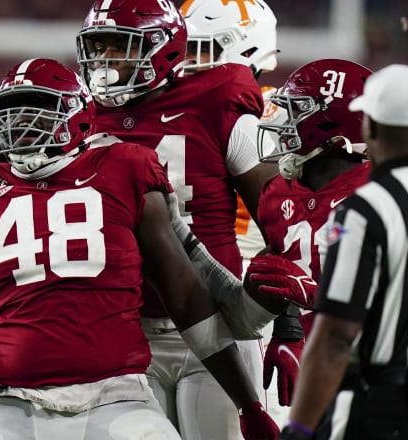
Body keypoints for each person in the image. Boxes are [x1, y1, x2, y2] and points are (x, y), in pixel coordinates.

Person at [0, 58, 280, 440]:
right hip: (9, 404)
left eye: (35, 112)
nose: (20, 125)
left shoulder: (126, 171)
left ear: (80, 120)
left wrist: (248, 403)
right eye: (10, 114)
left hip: (118, 397)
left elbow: (187, 300)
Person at [76, 0, 279, 438]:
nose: (105, 61)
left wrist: (290, 326)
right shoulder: (83, 121)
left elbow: (281, 222)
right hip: (126, 329)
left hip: (217, 317)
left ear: (162, 49)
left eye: (118, 47)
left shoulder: (218, 103)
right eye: (99, 47)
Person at [278, 63, 408, 439]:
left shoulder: (366, 207)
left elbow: (337, 335)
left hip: (379, 401)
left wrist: (299, 428)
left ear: (370, 126)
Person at [179, 0, 289, 428]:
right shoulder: (171, 112)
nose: (187, 63)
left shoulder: (270, 114)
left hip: (247, 301)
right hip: (179, 298)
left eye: (200, 49)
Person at [245, 58, 372, 419]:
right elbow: (282, 267)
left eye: (298, 110)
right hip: (311, 364)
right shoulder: (278, 193)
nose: (284, 123)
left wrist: (317, 296)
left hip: (375, 368)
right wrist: (286, 328)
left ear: (335, 121)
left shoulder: (380, 191)